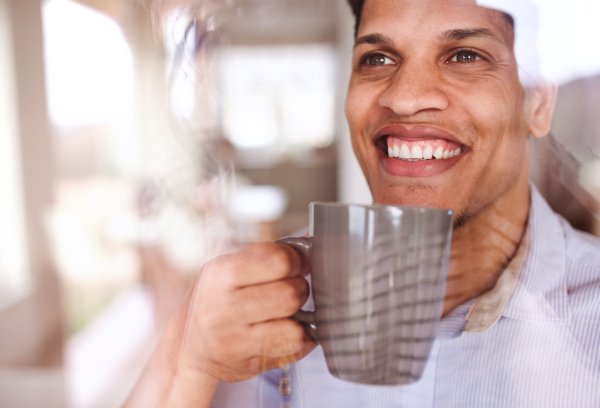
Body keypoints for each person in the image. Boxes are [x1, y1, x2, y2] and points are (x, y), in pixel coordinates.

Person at [124, 0, 600, 407]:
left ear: (538, 102)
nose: (405, 97)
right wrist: (183, 361)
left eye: (464, 55)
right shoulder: (275, 317)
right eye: (377, 59)